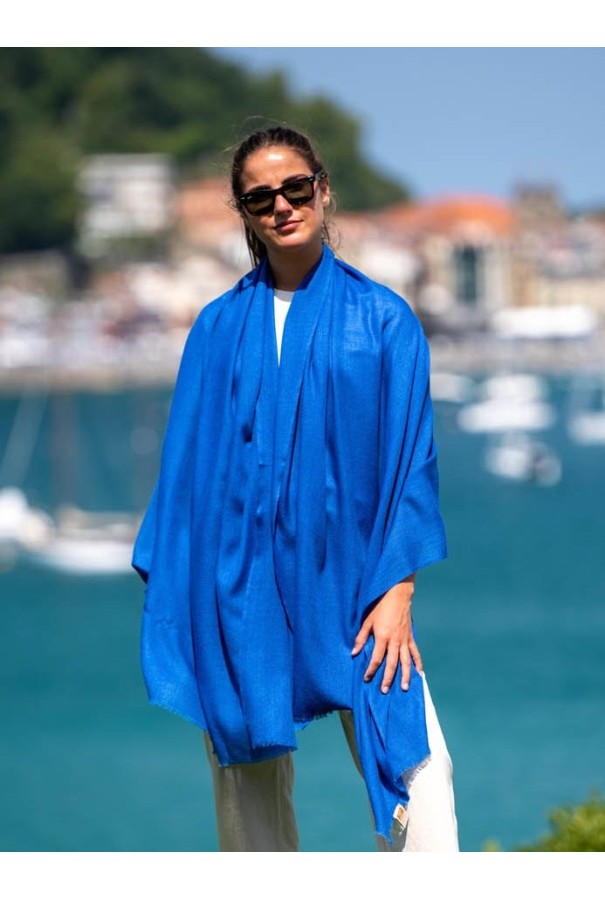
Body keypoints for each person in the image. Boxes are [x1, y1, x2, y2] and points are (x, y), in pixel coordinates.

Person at [132, 124, 458, 852]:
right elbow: (187, 472)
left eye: (295, 188)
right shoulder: (216, 327)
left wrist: (398, 593)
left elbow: (411, 463)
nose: (281, 205)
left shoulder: (383, 319)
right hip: (238, 584)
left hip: (357, 589)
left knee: (422, 776)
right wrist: (188, 589)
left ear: (322, 190)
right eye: (260, 198)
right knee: (247, 791)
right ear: (245, 214)